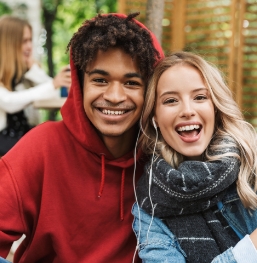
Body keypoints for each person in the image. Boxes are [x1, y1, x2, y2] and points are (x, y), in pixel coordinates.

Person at [0, 12, 164, 262]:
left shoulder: (165, 159)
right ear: (80, 83)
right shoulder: (42, 147)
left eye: (131, 83)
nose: (114, 96)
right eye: (100, 80)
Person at [132, 51, 257, 263]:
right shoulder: (149, 206)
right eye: (171, 100)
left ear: (215, 107)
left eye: (200, 97)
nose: (187, 110)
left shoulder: (251, 162)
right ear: (154, 116)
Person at [0, 15, 71, 156]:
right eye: (24, 41)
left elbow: (55, 93)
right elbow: (8, 102)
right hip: (4, 139)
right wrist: (53, 84)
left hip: (23, 134)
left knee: (58, 139)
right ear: (9, 43)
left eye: (30, 40)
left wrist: (34, 71)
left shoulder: (25, 73)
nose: (29, 46)